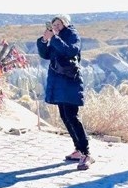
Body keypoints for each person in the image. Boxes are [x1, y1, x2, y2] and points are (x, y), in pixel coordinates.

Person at [37, 14, 94, 171]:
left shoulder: (72, 35)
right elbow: (46, 54)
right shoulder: (58, 37)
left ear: (65, 24)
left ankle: (86, 153)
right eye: (53, 25)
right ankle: (78, 150)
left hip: (70, 83)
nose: (55, 27)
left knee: (72, 117)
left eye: (58, 24)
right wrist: (43, 40)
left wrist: (54, 38)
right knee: (65, 116)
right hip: (58, 82)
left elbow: (71, 51)